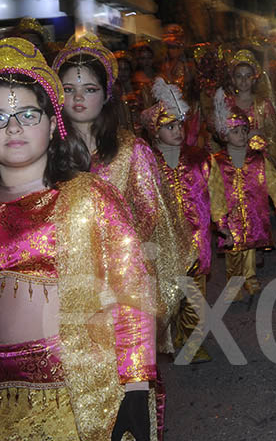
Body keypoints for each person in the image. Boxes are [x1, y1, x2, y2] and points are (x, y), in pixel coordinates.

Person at [0, 37, 157, 440]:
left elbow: (130, 292)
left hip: (77, 395)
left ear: (53, 124)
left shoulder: (86, 196)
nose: (13, 127)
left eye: (27, 115)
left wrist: (136, 388)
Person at [52, 33, 192, 347]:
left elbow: (149, 216)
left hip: (119, 284)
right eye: (68, 89)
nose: (78, 98)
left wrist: (109, 256)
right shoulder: (45, 152)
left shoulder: (131, 151)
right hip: (61, 285)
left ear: (106, 96)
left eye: (89, 89)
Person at [141, 78, 225, 364]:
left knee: (195, 292)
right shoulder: (148, 164)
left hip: (197, 237)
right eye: (169, 126)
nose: (177, 131)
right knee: (170, 294)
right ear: (155, 132)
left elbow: (215, 190)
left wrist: (221, 220)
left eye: (179, 125)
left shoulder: (200, 158)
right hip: (164, 241)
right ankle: (174, 334)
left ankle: (192, 342)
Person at [211, 91, 276, 301]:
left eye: (244, 130)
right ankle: (234, 283)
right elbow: (216, 191)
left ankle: (250, 277)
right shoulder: (217, 162)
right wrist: (219, 219)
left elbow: (272, 179)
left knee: (251, 248)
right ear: (224, 135)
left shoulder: (257, 159)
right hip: (231, 215)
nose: (241, 135)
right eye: (235, 131)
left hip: (254, 210)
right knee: (233, 251)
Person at [217, 49, 276, 176]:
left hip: (260, 162)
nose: (243, 80)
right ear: (233, 80)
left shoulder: (263, 104)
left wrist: (260, 136)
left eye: (248, 76)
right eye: (239, 76)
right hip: (235, 162)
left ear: (254, 79)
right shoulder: (227, 105)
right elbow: (221, 133)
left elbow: (275, 133)